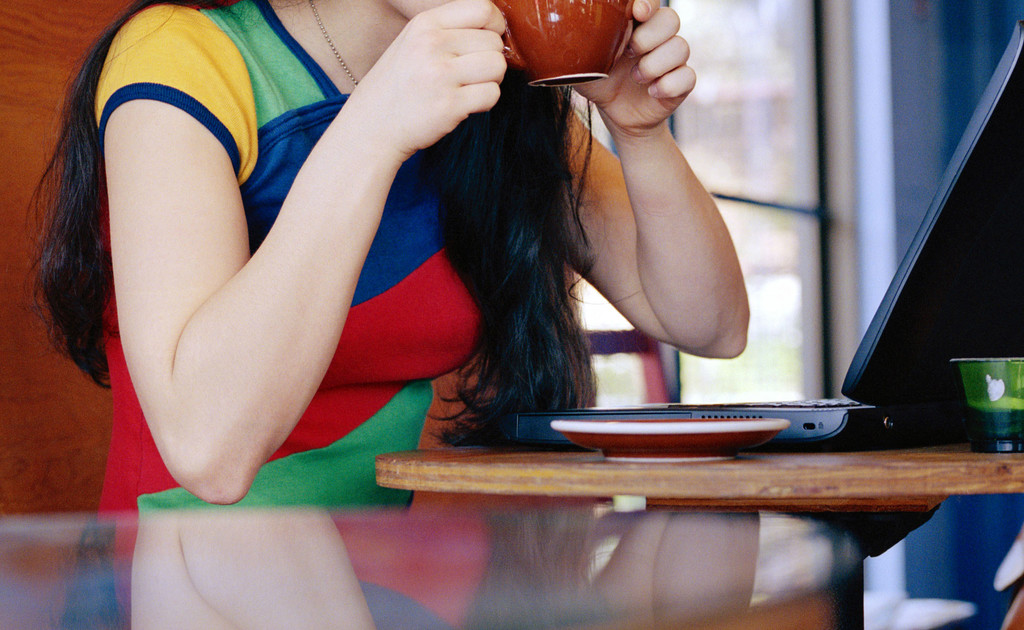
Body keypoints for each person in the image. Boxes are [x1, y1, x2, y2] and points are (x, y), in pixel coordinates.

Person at [35, 0, 749, 512]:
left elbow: (711, 324)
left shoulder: (499, 92)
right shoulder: (182, 55)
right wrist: (373, 129)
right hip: (188, 577)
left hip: (383, 574)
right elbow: (208, 452)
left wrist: (640, 131)